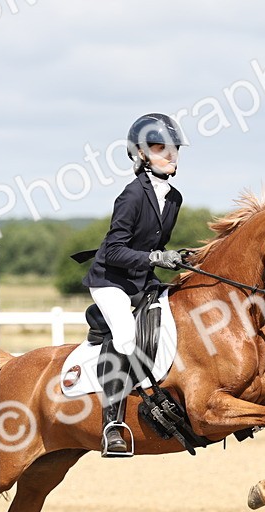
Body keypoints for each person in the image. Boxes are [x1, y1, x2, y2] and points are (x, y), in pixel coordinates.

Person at [82, 113, 187, 456]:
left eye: (173, 149)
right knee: (126, 335)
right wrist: (156, 259)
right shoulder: (131, 196)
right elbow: (113, 251)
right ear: (141, 154)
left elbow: (152, 246)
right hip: (111, 280)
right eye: (161, 149)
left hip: (142, 280)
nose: (170, 155)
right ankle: (112, 424)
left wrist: (178, 259)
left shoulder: (174, 199)